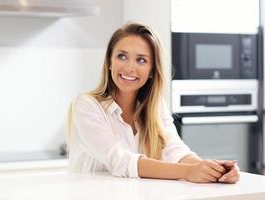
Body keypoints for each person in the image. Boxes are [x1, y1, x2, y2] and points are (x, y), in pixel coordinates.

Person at [66, 22, 240, 183]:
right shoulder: (87, 105)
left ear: (151, 71)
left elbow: (176, 151)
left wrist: (213, 170)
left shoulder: (156, 107)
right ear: (110, 62)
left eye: (141, 60)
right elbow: (120, 162)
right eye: (122, 56)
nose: (129, 68)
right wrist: (188, 172)